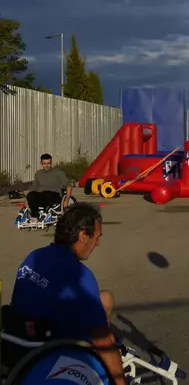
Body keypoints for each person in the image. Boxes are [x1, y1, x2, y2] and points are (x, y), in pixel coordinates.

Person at [9, 203, 127, 384]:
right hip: (57, 346)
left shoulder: (34, 256)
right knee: (104, 335)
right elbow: (102, 340)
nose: (98, 243)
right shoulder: (80, 275)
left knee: (105, 298)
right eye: (96, 237)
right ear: (82, 236)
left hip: (20, 336)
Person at [26, 153, 72, 221]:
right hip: (42, 195)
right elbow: (34, 188)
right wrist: (27, 200)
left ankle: (46, 212)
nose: (47, 165)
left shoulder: (58, 172)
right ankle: (34, 216)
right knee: (30, 195)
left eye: (48, 163)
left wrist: (66, 200)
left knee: (47, 194)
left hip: (54, 194)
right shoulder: (38, 173)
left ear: (51, 162)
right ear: (41, 163)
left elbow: (68, 186)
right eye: (44, 163)